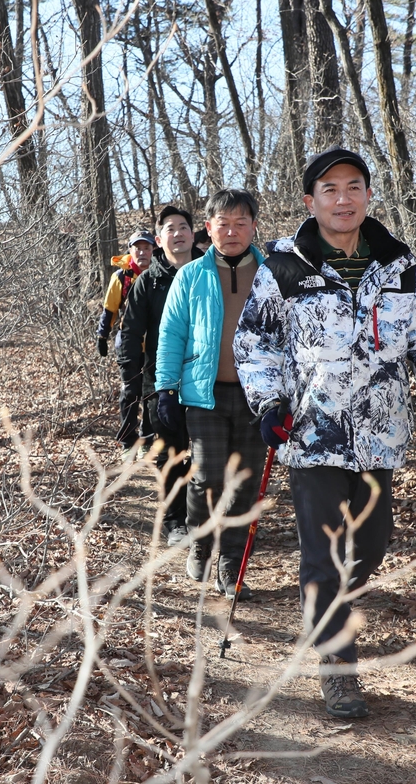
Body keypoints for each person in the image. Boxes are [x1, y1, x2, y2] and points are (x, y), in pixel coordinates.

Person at [233, 147, 416, 718]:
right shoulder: (284, 267)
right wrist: (269, 403)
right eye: (330, 189)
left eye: (353, 187)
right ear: (310, 201)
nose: (343, 199)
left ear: (368, 195)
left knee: (369, 544)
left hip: (380, 434)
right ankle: (337, 667)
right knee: (323, 554)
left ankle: (331, 616)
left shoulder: (401, 265)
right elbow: (255, 344)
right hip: (311, 434)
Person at [155, 189, 268, 600]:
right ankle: (201, 544)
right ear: (209, 228)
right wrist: (165, 388)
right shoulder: (191, 276)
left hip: (260, 397)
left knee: (244, 486)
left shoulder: (274, 273)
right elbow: (171, 335)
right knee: (206, 479)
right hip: (204, 395)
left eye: (241, 223)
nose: (233, 231)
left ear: (254, 226)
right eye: (224, 223)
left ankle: (230, 566)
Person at [118, 206, 201, 546]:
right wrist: (133, 380)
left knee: (209, 452)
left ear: (194, 234)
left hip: (206, 379)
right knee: (170, 453)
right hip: (160, 382)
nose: (178, 233)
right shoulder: (147, 282)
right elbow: (130, 333)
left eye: (184, 226)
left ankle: (208, 517)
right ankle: (176, 521)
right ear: (158, 239)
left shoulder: (209, 273)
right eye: (170, 228)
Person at [97, 230, 156, 453]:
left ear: (154, 250)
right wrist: (102, 336)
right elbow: (109, 310)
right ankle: (127, 441)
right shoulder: (120, 277)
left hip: (156, 342)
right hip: (128, 343)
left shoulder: (161, 273)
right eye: (137, 248)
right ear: (130, 250)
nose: (142, 252)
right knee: (131, 392)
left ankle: (147, 439)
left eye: (147, 248)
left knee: (151, 393)